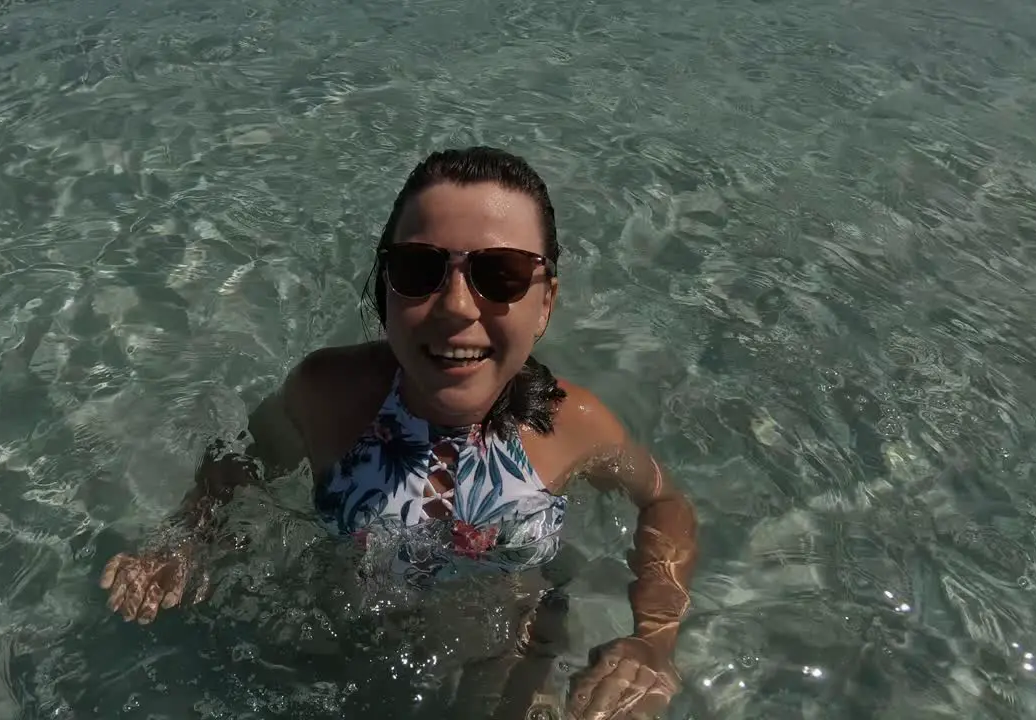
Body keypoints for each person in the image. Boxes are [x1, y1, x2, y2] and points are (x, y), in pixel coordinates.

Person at [98, 146, 699, 719]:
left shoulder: (572, 424)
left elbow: (665, 502)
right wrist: (183, 542)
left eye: (503, 274)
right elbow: (239, 462)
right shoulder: (328, 395)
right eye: (420, 269)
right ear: (385, 286)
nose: (458, 306)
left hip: (508, 678)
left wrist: (655, 641)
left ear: (545, 303)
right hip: (339, 664)